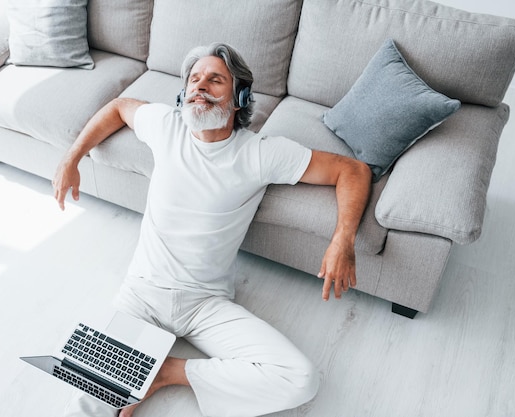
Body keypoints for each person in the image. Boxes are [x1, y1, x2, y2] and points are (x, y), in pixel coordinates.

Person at [53, 42, 372, 417]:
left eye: (215, 80)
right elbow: (120, 107)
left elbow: (351, 170)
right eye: (194, 79)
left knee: (301, 379)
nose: (200, 86)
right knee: (84, 398)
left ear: (238, 98)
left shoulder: (259, 153)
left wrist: (343, 240)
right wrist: (71, 158)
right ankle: (137, 372)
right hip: (141, 293)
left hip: (206, 304)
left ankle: (160, 373)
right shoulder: (166, 126)